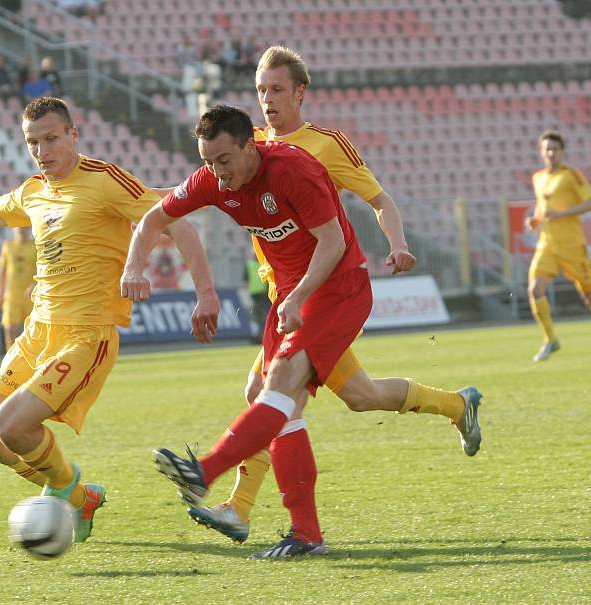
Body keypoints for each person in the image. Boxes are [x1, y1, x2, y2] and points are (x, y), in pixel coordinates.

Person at [120, 105, 483, 559]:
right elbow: (156, 217)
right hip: (290, 298)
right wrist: (135, 265)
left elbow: (332, 243)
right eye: (208, 161)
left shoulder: (294, 169)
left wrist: (297, 297)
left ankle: (210, 475)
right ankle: (308, 531)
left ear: (249, 147)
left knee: (276, 386)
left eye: (224, 160)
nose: (217, 171)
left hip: (338, 288)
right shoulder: (213, 178)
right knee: (343, 396)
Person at [0, 96, 218, 545]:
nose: (43, 150)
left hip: (85, 334)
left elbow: (177, 222)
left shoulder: (105, 180)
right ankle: (79, 496)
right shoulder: (35, 189)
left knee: (13, 426)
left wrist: (206, 293)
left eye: (52, 139)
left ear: (73, 136)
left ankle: (65, 491)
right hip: (38, 331)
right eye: (33, 142)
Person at [525, 129, 591, 362]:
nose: (551, 152)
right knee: (535, 289)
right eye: (547, 149)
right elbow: (542, 207)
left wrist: (563, 214)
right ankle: (550, 340)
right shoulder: (538, 177)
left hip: (572, 245)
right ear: (542, 152)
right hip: (547, 245)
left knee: (588, 295)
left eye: (555, 148)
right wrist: (535, 219)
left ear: (562, 151)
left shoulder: (571, 175)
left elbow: (588, 203)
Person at [0, 227, 37, 350]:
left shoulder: (35, 246)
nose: (21, 231)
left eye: (24, 229)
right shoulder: (8, 246)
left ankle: (32, 354)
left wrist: (35, 284)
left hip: (31, 294)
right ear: (14, 230)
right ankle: (10, 354)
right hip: (12, 294)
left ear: (29, 230)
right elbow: (2, 270)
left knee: (32, 328)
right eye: (19, 229)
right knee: (9, 327)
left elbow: (42, 268)